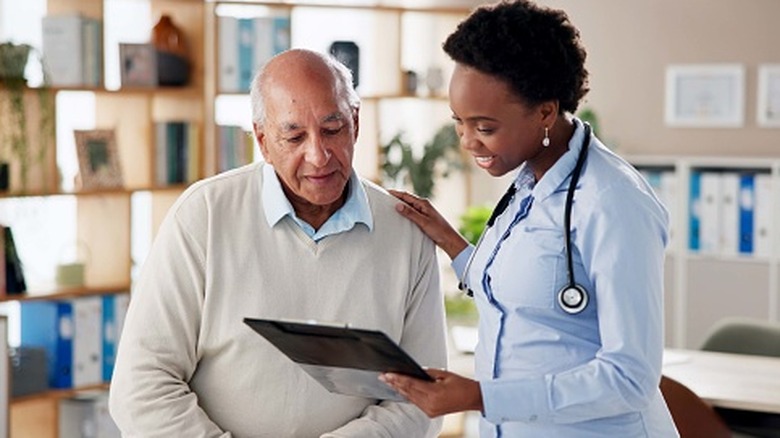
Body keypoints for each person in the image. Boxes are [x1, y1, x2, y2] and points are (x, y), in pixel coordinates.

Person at [109, 49, 447, 437]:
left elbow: (421, 395)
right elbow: (141, 386)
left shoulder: (405, 231)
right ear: (263, 140)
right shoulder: (204, 215)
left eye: (333, 129)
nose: (318, 156)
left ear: (355, 122)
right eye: (294, 136)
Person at [379, 1, 679, 436]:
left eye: (484, 127)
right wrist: (450, 241)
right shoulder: (530, 181)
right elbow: (524, 295)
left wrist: (481, 396)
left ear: (545, 112)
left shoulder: (611, 201)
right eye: (459, 123)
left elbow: (630, 377)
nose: (467, 142)